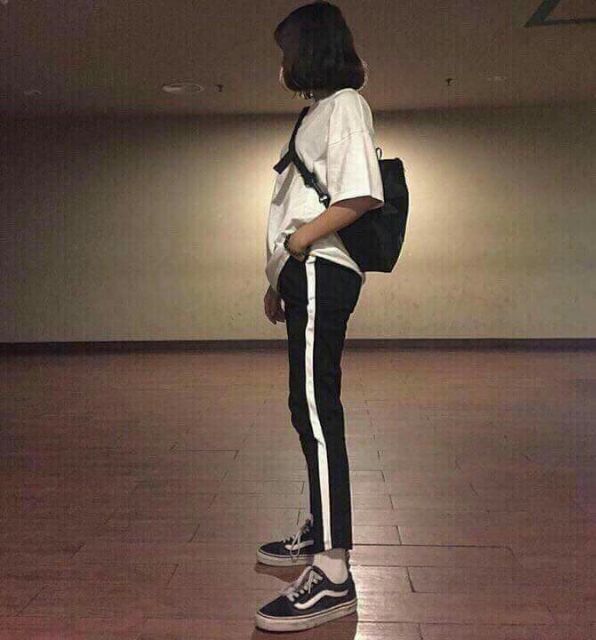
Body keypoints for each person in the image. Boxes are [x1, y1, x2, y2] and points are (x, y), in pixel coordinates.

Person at [256, 1, 384, 632]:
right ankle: (319, 530)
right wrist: (276, 274)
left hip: (320, 268)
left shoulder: (345, 106)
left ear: (309, 51)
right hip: (301, 273)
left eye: (286, 52)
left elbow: (361, 194)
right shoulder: (315, 113)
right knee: (304, 405)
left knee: (315, 408)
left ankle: (333, 573)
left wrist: (300, 245)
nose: (281, 66)